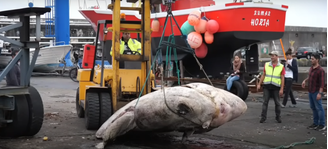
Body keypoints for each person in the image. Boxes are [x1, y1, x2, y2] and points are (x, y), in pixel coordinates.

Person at [257, 51, 285, 123]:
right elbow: (263, 75)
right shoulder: (267, 65)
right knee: (265, 102)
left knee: (277, 103)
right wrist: (259, 84)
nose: (271, 57)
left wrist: (282, 89)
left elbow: (282, 78)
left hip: (276, 87)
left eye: (273, 56)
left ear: (277, 56)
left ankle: (278, 117)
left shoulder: (281, 66)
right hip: (267, 86)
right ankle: (263, 117)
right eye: (271, 56)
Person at [302, 53, 326, 131]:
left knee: (319, 108)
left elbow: (322, 84)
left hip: (316, 91)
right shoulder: (311, 68)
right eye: (311, 59)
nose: (311, 60)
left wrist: (320, 93)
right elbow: (310, 76)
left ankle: (322, 124)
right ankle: (315, 123)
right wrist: (305, 80)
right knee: (313, 107)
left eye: (312, 59)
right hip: (310, 91)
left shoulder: (320, 70)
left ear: (317, 60)